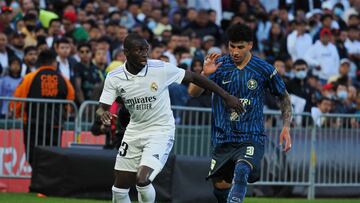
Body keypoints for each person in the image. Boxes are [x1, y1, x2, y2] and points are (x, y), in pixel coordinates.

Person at [96, 33, 244, 203]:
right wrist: (103, 113)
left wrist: (226, 96)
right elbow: (101, 109)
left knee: (142, 180)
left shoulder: (160, 68)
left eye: (146, 50)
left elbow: (194, 77)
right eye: (139, 50)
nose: (145, 54)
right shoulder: (114, 77)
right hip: (134, 131)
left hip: (160, 130)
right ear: (126, 52)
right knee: (119, 189)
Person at [188, 23, 292, 203]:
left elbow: (283, 96)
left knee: (242, 170)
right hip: (222, 136)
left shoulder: (264, 69)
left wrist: (286, 126)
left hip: (251, 135)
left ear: (250, 45)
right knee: (220, 187)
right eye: (232, 46)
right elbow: (193, 92)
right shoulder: (219, 64)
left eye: (240, 47)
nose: (235, 51)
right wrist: (205, 74)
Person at [10, 50, 75, 165]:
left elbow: (17, 101)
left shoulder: (29, 78)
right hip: (55, 125)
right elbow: (70, 102)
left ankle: (36, 181)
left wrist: (18, 115)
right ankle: (48, 182)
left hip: (33, 125)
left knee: (33, 157)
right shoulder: (63, 80)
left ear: (39, 62)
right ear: (54, 63)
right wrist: (64, 115)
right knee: (52, 158)